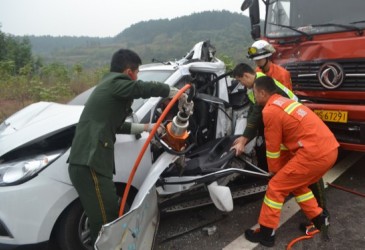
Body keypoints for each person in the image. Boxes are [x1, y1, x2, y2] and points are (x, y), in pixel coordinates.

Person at [68, 48, 183, 246]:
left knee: (103, 214)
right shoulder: (115, 83)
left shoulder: (107, 86)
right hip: (91, 162)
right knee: (106, 219)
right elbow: (141, 88)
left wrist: (148, 127)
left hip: (89, 162)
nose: (137, 76)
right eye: (137, 72)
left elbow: (116, 124)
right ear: (129, 72)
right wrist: (173, 91)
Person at [244, 76, 339, 247]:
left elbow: (273, 147)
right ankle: (319, 219)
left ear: (262, 92)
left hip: (313, 154)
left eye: (255, 93)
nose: (254, 97)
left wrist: (273, 172)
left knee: (276, 187)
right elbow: (284, 146)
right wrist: (281, 169)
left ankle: (266, 234)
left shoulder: (270, 111)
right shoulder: (284, 102)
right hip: (329, 149)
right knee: (296, 185)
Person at [230, 63, 297, 171]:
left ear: (246, 76)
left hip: (292, 116)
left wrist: (244, 139)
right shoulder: (254, 86)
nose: (241, 84)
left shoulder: (260, 84)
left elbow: (256, 114)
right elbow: (253, 111)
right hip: (286, 114)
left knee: (281, 149)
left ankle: (277, 172)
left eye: (240, 80)